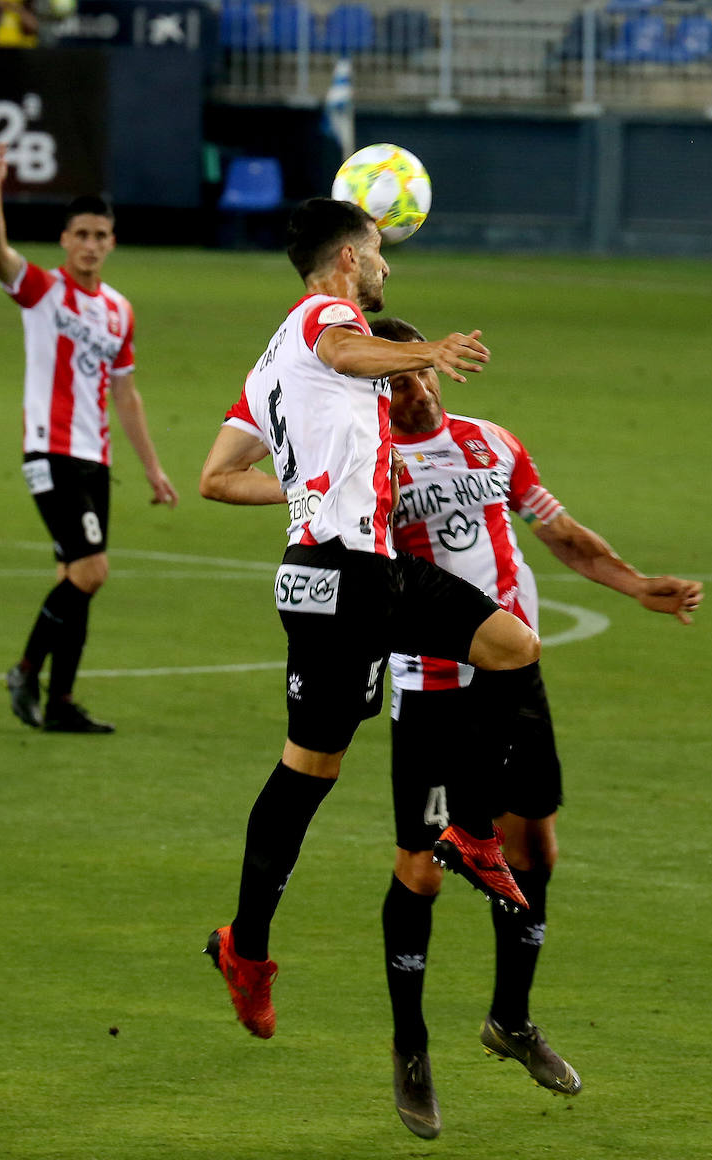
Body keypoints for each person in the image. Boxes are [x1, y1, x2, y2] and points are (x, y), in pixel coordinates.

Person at [198, 198, 541, 1043]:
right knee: (512, 646)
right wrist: (427, 351)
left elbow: (215, 475)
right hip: (353, 573)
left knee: (308, 772)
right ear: (349, 257)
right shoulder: (325, 316)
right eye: (380, 252)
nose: (387, 267)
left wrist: (308, 481)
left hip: (317, 574)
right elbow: (344, 346)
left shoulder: (267, 361)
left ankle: (246, 947)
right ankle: (468, 827)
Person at [372, 317, 703, 1139]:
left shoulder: (492, 443)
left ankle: (509, 1020)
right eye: (394, 382)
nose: (412, 391)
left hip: (513, 680)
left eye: (417, 376)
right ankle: (410, 1046)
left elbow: (560, 534)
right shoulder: (366, 469)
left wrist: (633, 584)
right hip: (434, 689)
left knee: (535, 849)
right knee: (423, 870)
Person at [0, 139, 179, 733]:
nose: (91, 244)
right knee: (91, 571)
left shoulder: (120, 310)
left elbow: (126, 392)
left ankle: (62, 703)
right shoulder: (43, 291)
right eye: (82, 235)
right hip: (50, 448)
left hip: (95, 458)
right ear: (66, 240)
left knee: (79, 577)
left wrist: (151, 467)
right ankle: (25, 669)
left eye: (101, 235)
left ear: (111, 242)